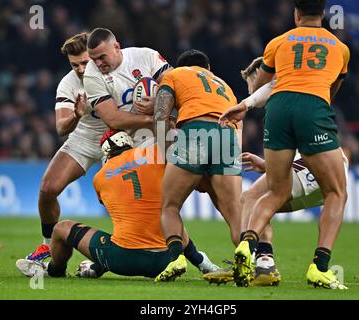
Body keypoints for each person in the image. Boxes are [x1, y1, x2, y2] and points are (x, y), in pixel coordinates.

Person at [220, 0, 350, 289]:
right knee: (336, 192)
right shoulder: (340, 49)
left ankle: (247, 245)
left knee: (275, 191)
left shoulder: (279, 42)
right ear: (324, 13)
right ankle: (321, 266)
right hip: (313, 106)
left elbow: (264, 85)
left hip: (277, 110)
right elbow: (331, 90)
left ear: (296, 13)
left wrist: (247, 101)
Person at [16, 130, 219, 279]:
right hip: (165, 259)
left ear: (105, 154)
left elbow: (119, 205)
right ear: (129, 144)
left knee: (62, 228)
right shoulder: (155, 154)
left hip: (124, 260)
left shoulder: (100, 177)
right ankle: (202, 262)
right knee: (169, 216)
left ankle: (55, 271)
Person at [153, 49, 243, 282]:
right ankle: (247, 258)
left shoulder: (174, 75)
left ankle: (176, 259)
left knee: (169, 207)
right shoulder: (225, 87)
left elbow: (161, 115)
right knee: (234, 211)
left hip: (195, 131)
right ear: (208, 69)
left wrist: (167, 153)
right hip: (227, 137)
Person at [25, 33, 108, 261]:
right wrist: (76, 115)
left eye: (84, 62)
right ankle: (48, 246)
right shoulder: (68, 83)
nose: (80, 69)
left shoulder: (113, 71)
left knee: (118, 197)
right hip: (85, 136)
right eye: (75, 65)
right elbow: (62, 127)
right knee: (47, 189)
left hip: (118, 136)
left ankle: (127, 249)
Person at [83, 28, 173, 145]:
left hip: (166, 131)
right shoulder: (91, 74)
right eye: (94, 59)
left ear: (116, 47)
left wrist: (159, 101)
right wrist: (155, 116)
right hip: (133, 142)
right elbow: (112, 119)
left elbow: (174, 83)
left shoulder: (145, 55)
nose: (98, 63)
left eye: (102, 57)